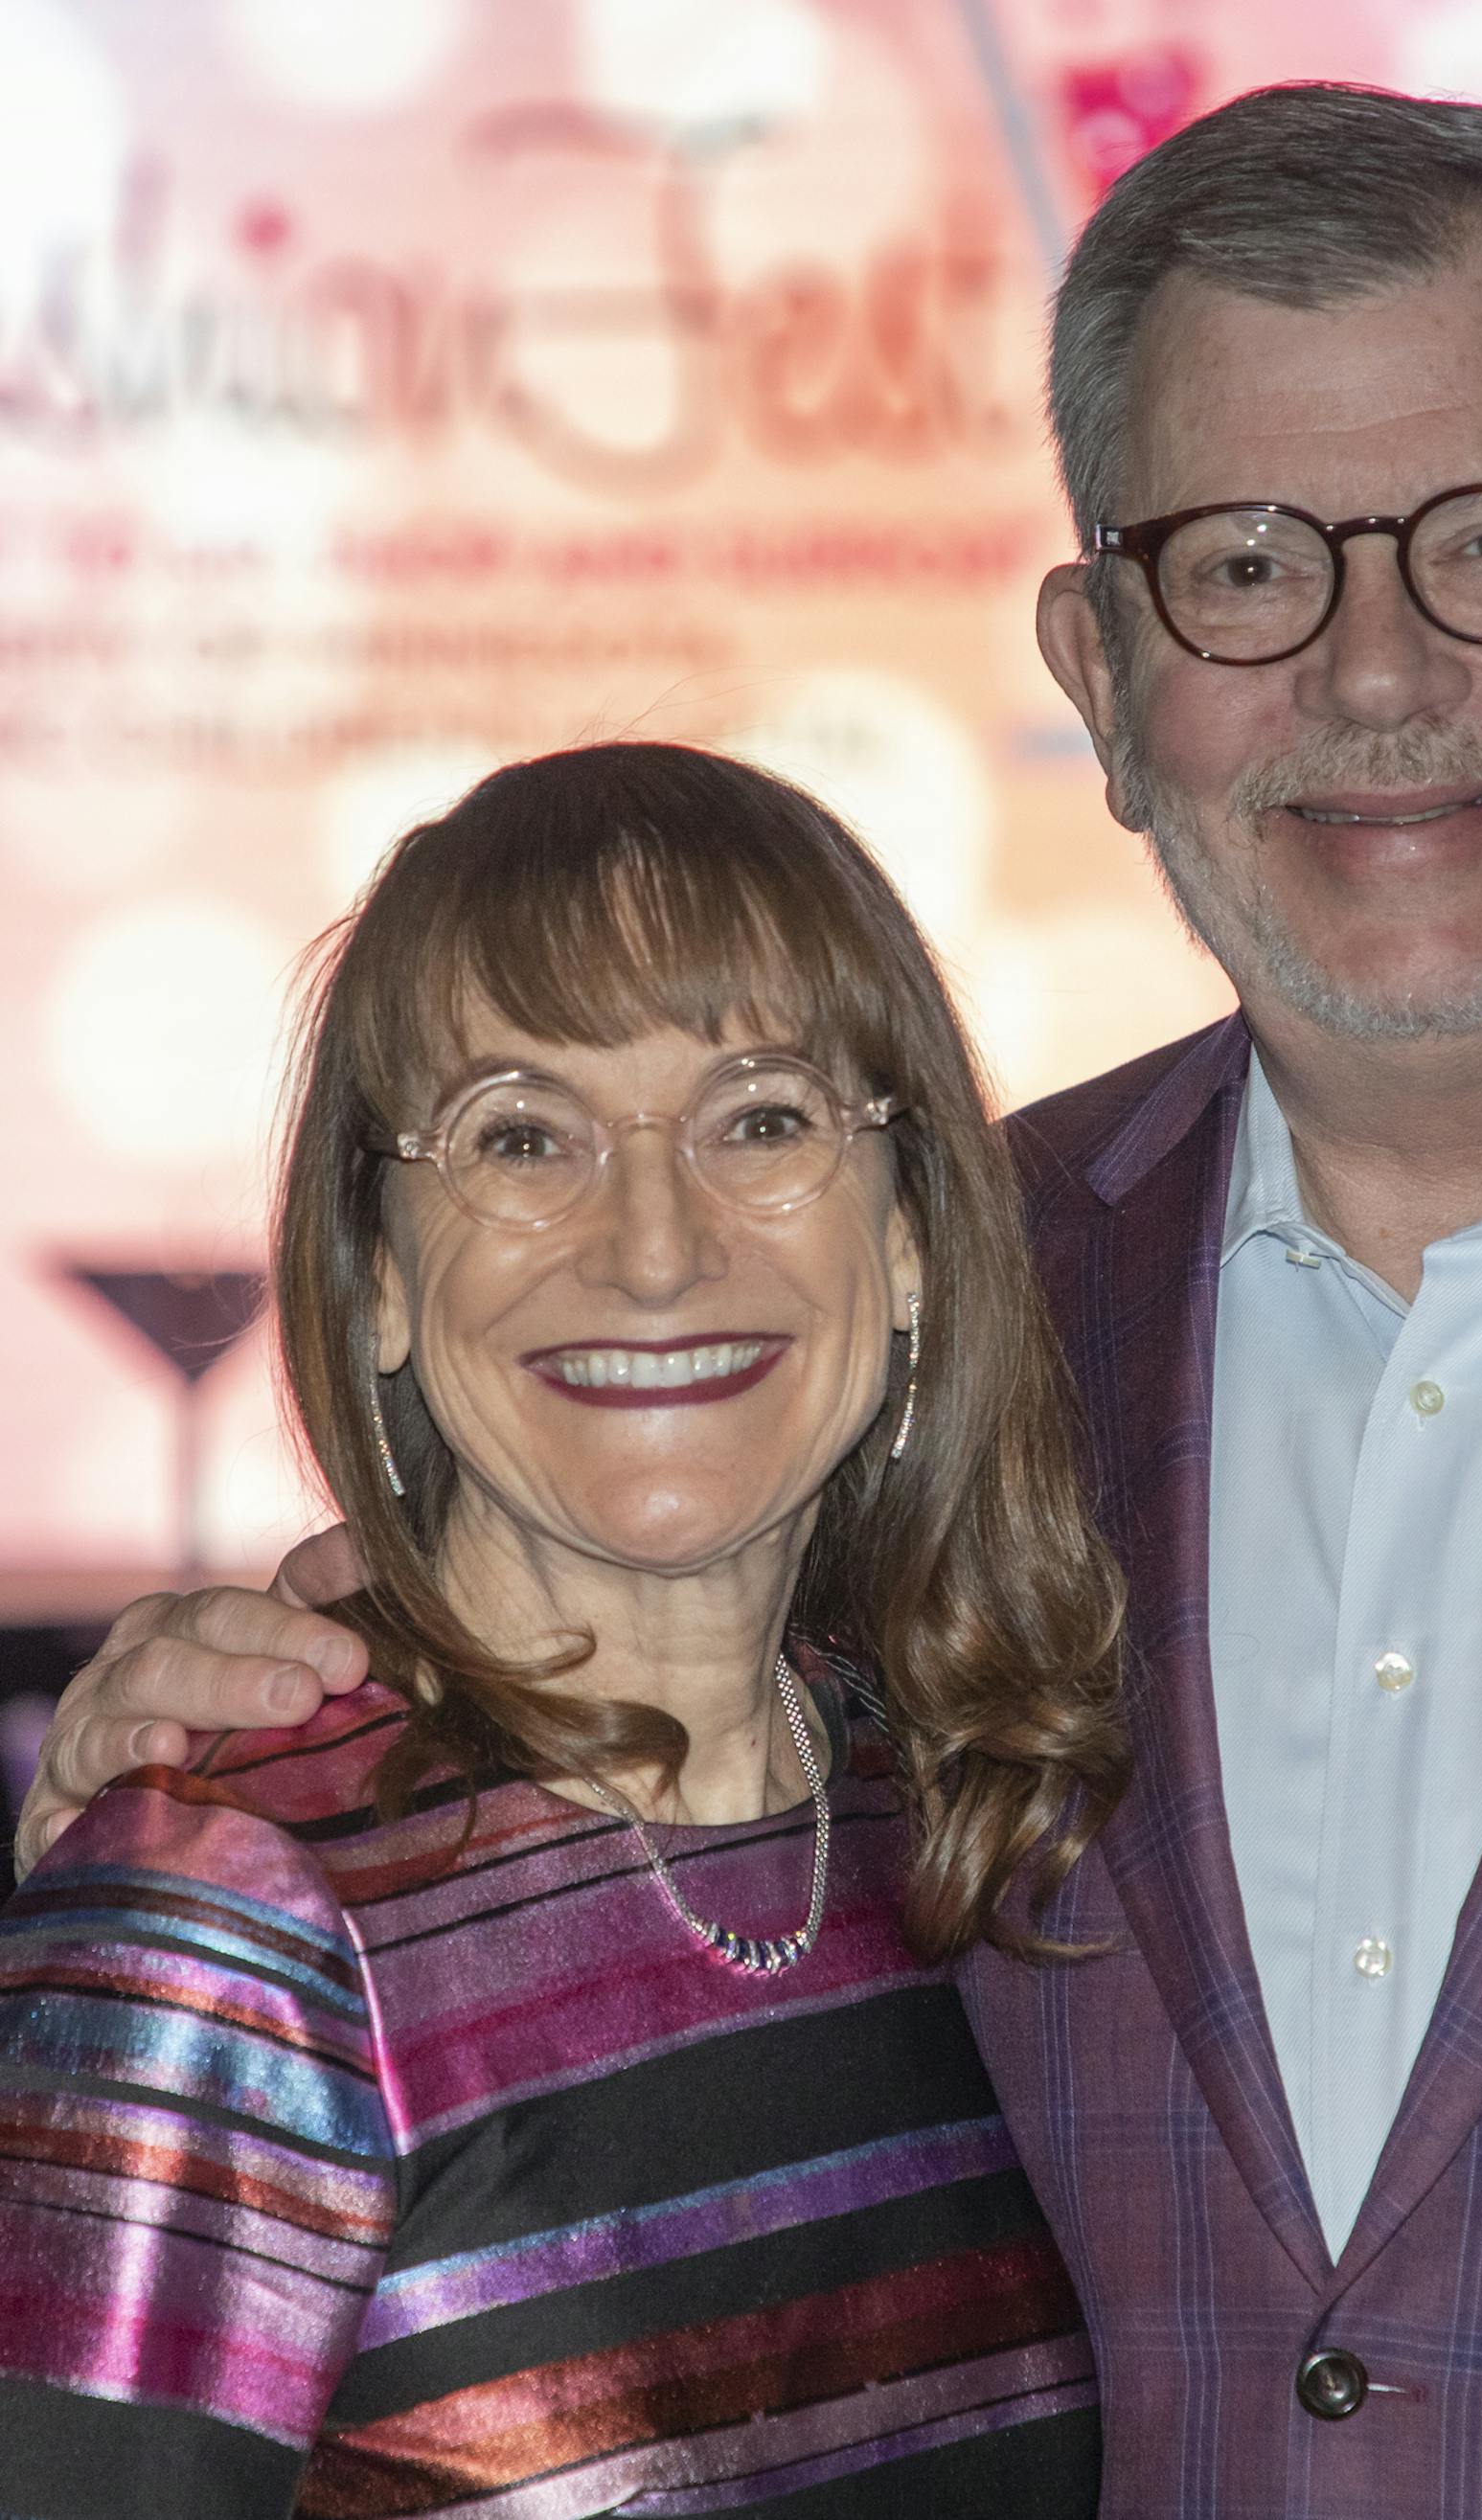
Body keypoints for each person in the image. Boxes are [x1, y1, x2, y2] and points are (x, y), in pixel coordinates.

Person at [21, 80, 1482, 2515]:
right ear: (1100, 670)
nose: (1375, 668)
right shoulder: (941, 1306)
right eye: (1242, 564)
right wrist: (230, 1752)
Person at [0, 742, 1127, 2517]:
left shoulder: (972, 1814)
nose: (657, 1249)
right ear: (374, 1273)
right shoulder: (237, 1912)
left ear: (911, 1239)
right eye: (522, 1135)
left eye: (764, 1117)